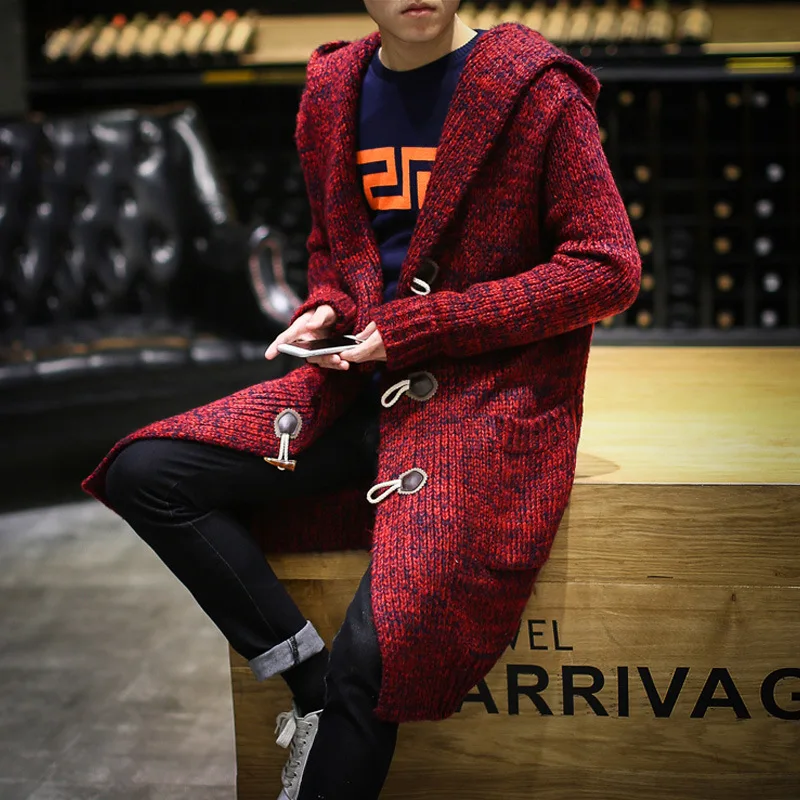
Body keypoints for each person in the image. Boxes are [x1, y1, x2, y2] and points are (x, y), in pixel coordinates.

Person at [82, 1, 641, 798]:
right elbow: (336, 247)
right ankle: (307, 682)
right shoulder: (333, 89)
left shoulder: (536, 91)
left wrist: (426, 324)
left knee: (374, 658)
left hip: (481, 407)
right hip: (359, 393)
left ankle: (335, 697)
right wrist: (326, 305)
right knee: (145, 473)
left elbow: (607, 267)